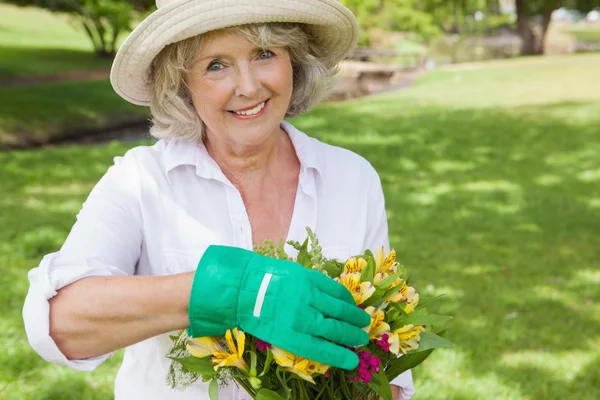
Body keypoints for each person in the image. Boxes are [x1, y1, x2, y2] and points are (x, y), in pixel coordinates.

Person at [22, 0, 416, 399]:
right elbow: (60, 326)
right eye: (216, 65)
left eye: (265, 54)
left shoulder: (353, 178)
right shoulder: (141, 181)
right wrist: (231, 291)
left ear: (294, 61)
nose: (248, 86)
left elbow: (382, 359)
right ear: (181, 83)